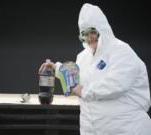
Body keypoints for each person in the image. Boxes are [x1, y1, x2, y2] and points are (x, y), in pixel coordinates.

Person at [39, 3, 151, 135]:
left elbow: (116, 85)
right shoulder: (83, 57)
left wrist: (83, 91)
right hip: (92, 129)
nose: (89, 38)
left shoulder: (121, 51)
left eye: (93, 32)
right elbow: (77, 78)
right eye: (84, 34)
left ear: (102, 30)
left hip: (127, 128)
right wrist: (56, 67)